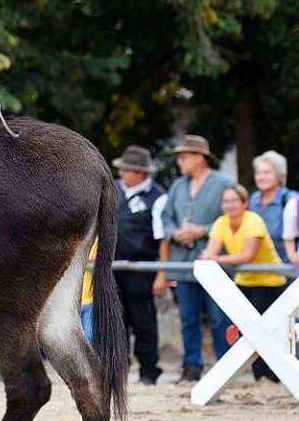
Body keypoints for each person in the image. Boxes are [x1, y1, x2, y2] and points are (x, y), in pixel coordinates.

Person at [158, 135, 232, 383]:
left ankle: (225, 367)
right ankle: (191, 368)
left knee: (219, 318)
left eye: (183, 156)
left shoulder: (224, 184)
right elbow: (166, 218)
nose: (179, 161)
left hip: (213, 265)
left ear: (199, 157)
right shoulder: (178, 186)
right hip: (183, 264)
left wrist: (204, 230)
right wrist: (174, 233)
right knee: (188, 320)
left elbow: (232, 218)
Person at [200, 185, 286, 382]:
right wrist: (212, 257)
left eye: (233, 201)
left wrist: (215, 259)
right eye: (226, 201)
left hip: (269, 281)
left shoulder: (253, 221)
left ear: (244, 203)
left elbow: (248, 256)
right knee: (248, 331)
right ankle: (260, 378)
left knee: (269, 331)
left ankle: (275, 377)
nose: (229, 205)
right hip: (244, 280)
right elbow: (209, 251)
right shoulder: (221, 223)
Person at [111, 146, 167, 384]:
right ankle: (117, 370)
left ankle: (148, 370)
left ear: (141, 172)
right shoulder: (112, 189)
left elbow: (162, 238)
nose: (123, 172)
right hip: (112, 266)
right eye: (122, 168)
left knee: (143, 321)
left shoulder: (157, 196)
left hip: (142, 267)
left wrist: (162, 273)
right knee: (115, 321)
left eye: (128, 169)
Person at [248, 151, 295, 264]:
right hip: (259, 271)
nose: (262, 177)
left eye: (267, 172)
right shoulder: (254, 200)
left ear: (279, 176)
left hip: (288, 272)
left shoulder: (291, 199)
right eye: (258, 173)